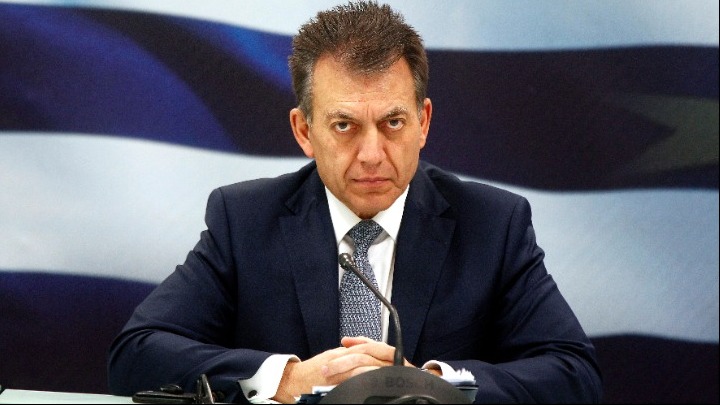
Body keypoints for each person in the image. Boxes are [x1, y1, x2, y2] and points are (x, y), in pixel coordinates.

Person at [107, 1, 603, 403]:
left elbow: (574, 373)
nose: (371, 154)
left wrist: (432, 385)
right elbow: (137, 353)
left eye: (393, 123)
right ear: (304, 130)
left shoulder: (492, 225)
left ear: (424, 122)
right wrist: (285, 378)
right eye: (344, 125)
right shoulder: (245, 221)